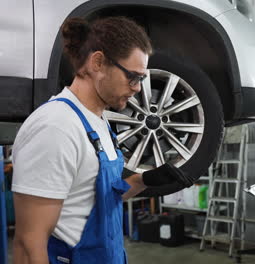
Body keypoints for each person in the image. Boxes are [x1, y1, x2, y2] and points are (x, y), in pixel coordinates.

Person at [12, 17, 193, 264]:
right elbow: (28, 245)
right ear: (98, 63)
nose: (139, 88)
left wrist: (141, 181)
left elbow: (97, 200)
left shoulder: (101, 122)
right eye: (134, 77)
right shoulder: (56, 127)